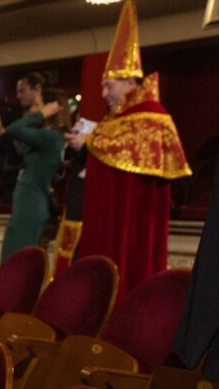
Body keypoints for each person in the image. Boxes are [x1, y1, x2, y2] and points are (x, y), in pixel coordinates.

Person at [64, 0, 190, 298]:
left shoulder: (151, 115)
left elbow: (126, 151)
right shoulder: (118, 119)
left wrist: (90, 142)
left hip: (130, 230)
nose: (104, 94)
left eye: (109, 86)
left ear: (130, 81)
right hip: (104, 220)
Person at [0, 92, 68, 259]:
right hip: (26, 204)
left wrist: (41, 114)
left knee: (15, 264)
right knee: (11, 261)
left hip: (31, 206)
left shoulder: (51, 137)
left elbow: (14, 129)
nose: (31, 112)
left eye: (38, 107)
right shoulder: (41, 138)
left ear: (52, 109)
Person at [0, 72, 48, 204]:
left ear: (37, 89)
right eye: (17, 92)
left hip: (30, 186)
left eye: (22, 91)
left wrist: (1, 130)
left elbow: (20, 150)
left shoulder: (45, 120)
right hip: (10, 183)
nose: (18, 96)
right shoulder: (20, 116)